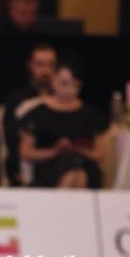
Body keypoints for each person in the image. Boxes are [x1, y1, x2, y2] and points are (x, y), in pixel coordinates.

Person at [19, 60, 108, 188]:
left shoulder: (91, 115)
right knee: (73, 172)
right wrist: (55, 151)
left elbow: (99, 153)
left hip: (83, 165)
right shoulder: (37, 114)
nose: (69, 90)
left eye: (74, 85)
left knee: (78, 170)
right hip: (49, 167)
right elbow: (25, 152)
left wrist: (76, 149)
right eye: (64, 83)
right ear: (53, 81)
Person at [0, 43, 57, 185]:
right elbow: (10, 140)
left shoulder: (64, 100)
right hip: (30, 165)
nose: (45, 71)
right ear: (30, 65)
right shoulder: (17, 101)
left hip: (60, 162)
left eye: (50, 65)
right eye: (40, 64)